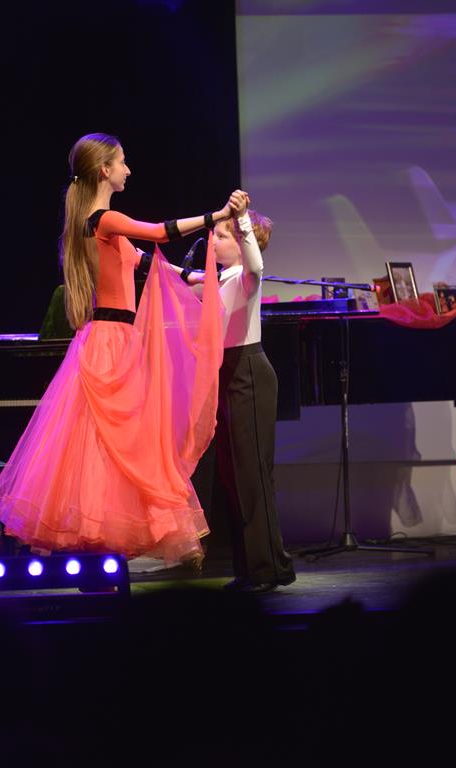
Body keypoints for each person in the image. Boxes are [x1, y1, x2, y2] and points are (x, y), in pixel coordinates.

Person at [0, 132, 233, 567]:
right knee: (111, 440)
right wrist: (217, 216)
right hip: (110, 340)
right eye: (123, 162)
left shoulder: (104, 226)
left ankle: (108, 541)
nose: (128, 170)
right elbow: (159, 233)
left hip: (115, 339)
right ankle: (104, 531)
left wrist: (195, 278)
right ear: (104, 170)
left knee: (119, 440)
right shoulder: (105, 219)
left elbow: (144, 260)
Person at [187, 191, 296, 592]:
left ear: (240, 241)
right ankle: (258, 567)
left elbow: (256, 263)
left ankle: (266, 569)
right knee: (236, 477)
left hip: (249, 373)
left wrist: (243, 217)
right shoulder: (220, 280)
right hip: (229, 373)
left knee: (252, 476)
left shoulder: (247, 277)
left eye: (221, 236)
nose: (212, 241)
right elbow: (189, 284)